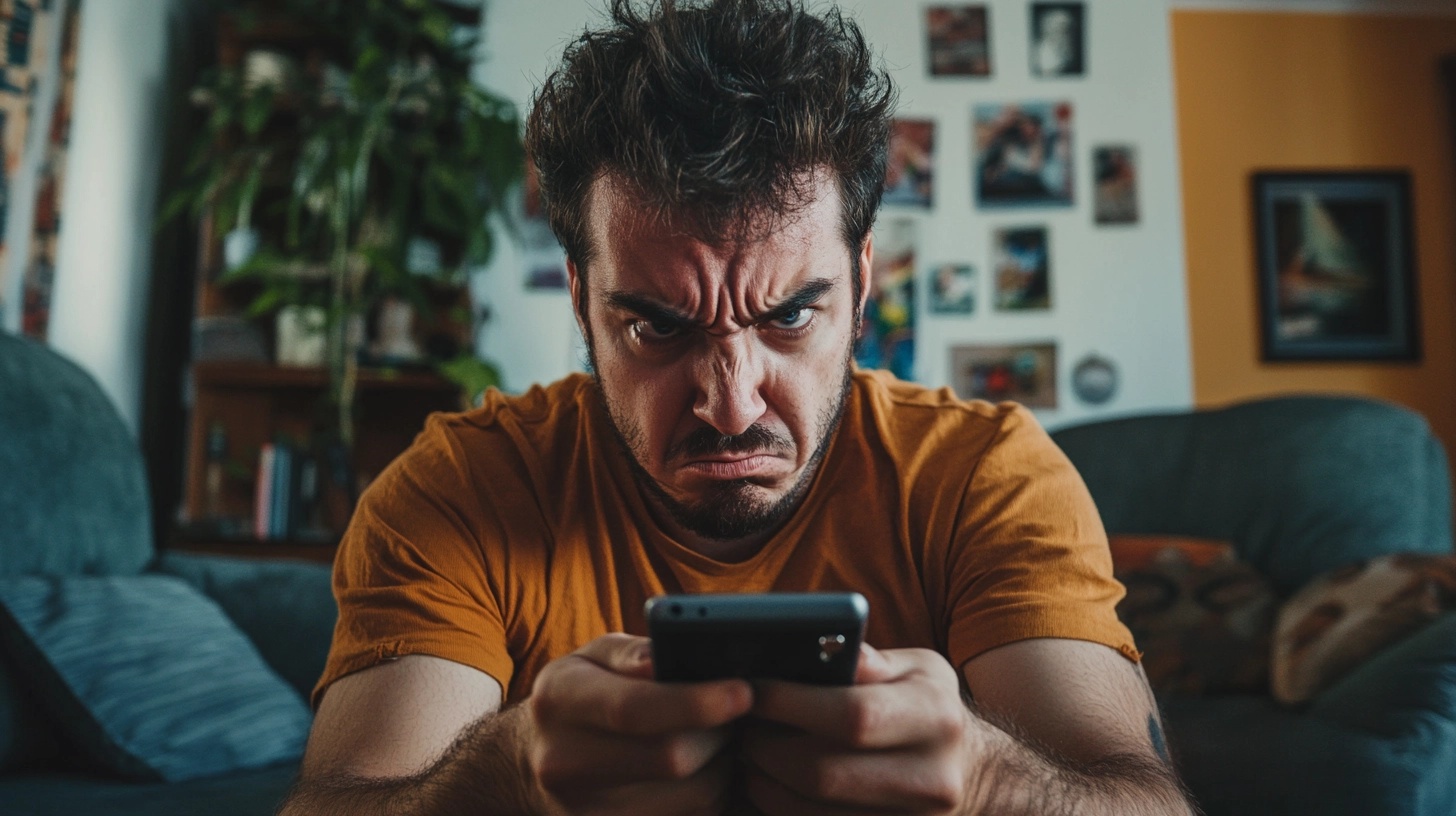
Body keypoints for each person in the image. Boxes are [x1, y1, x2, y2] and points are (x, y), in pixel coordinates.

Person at [279, 1, 1196, 814]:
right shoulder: (462, 490)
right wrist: (506, 776)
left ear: (864, 279)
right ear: (578, 296)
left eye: (791, 315)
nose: (731, 404)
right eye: (657, 330)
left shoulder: (986, 476)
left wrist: (993, 784)